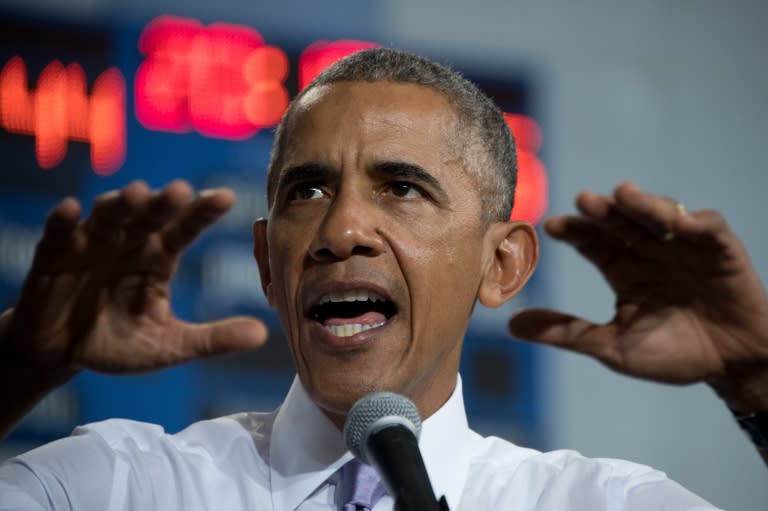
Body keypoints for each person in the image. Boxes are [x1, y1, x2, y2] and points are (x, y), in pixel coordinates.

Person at [0, 48, 766, 510]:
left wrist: (757, 379)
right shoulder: (121, 486)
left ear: (501, 264)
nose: (339, 232)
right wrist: (20, 361)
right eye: (307, 190)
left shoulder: (602, 504)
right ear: (268, 262)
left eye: (401, 187)